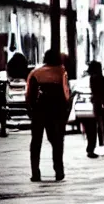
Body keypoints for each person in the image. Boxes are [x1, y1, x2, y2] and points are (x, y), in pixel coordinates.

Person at [25, 49, 70, 182]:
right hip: (55, 112)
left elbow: (29, 95)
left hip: (39, 111)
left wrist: (31, 110)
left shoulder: (35, 73)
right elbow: (66, 92)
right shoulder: (62, 72)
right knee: (57, 142)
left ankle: (35, 173)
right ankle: (59, 171)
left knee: (36, 142)